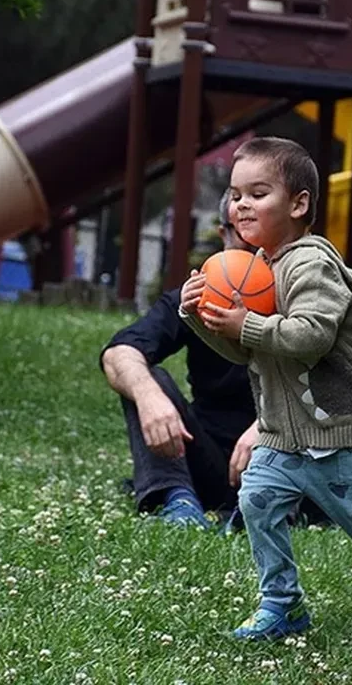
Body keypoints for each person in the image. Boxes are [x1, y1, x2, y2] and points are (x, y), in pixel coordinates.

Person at [178, 136, 352, 646]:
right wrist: (202, 317)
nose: (240, 205)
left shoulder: (310, 263)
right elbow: (247, 352)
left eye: (258, 193)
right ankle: (282, 604)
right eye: (235, 195)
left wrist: (245, 322)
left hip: (345, 433)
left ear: (298, 204)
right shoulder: (258, 267)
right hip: (282, 435)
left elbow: (311, 336)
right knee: (256, 500)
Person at [99, 190, 259, 529]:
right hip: (211, 460)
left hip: (284, 462)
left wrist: (273, 428)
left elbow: (331, 389)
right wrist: (148, 396)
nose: (250, 241)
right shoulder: (194, 298)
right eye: (240, 231)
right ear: (223, 235)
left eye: (260, 232)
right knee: (145, 377)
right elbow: (119, 353)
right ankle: (178, 501)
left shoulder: (305, 301)